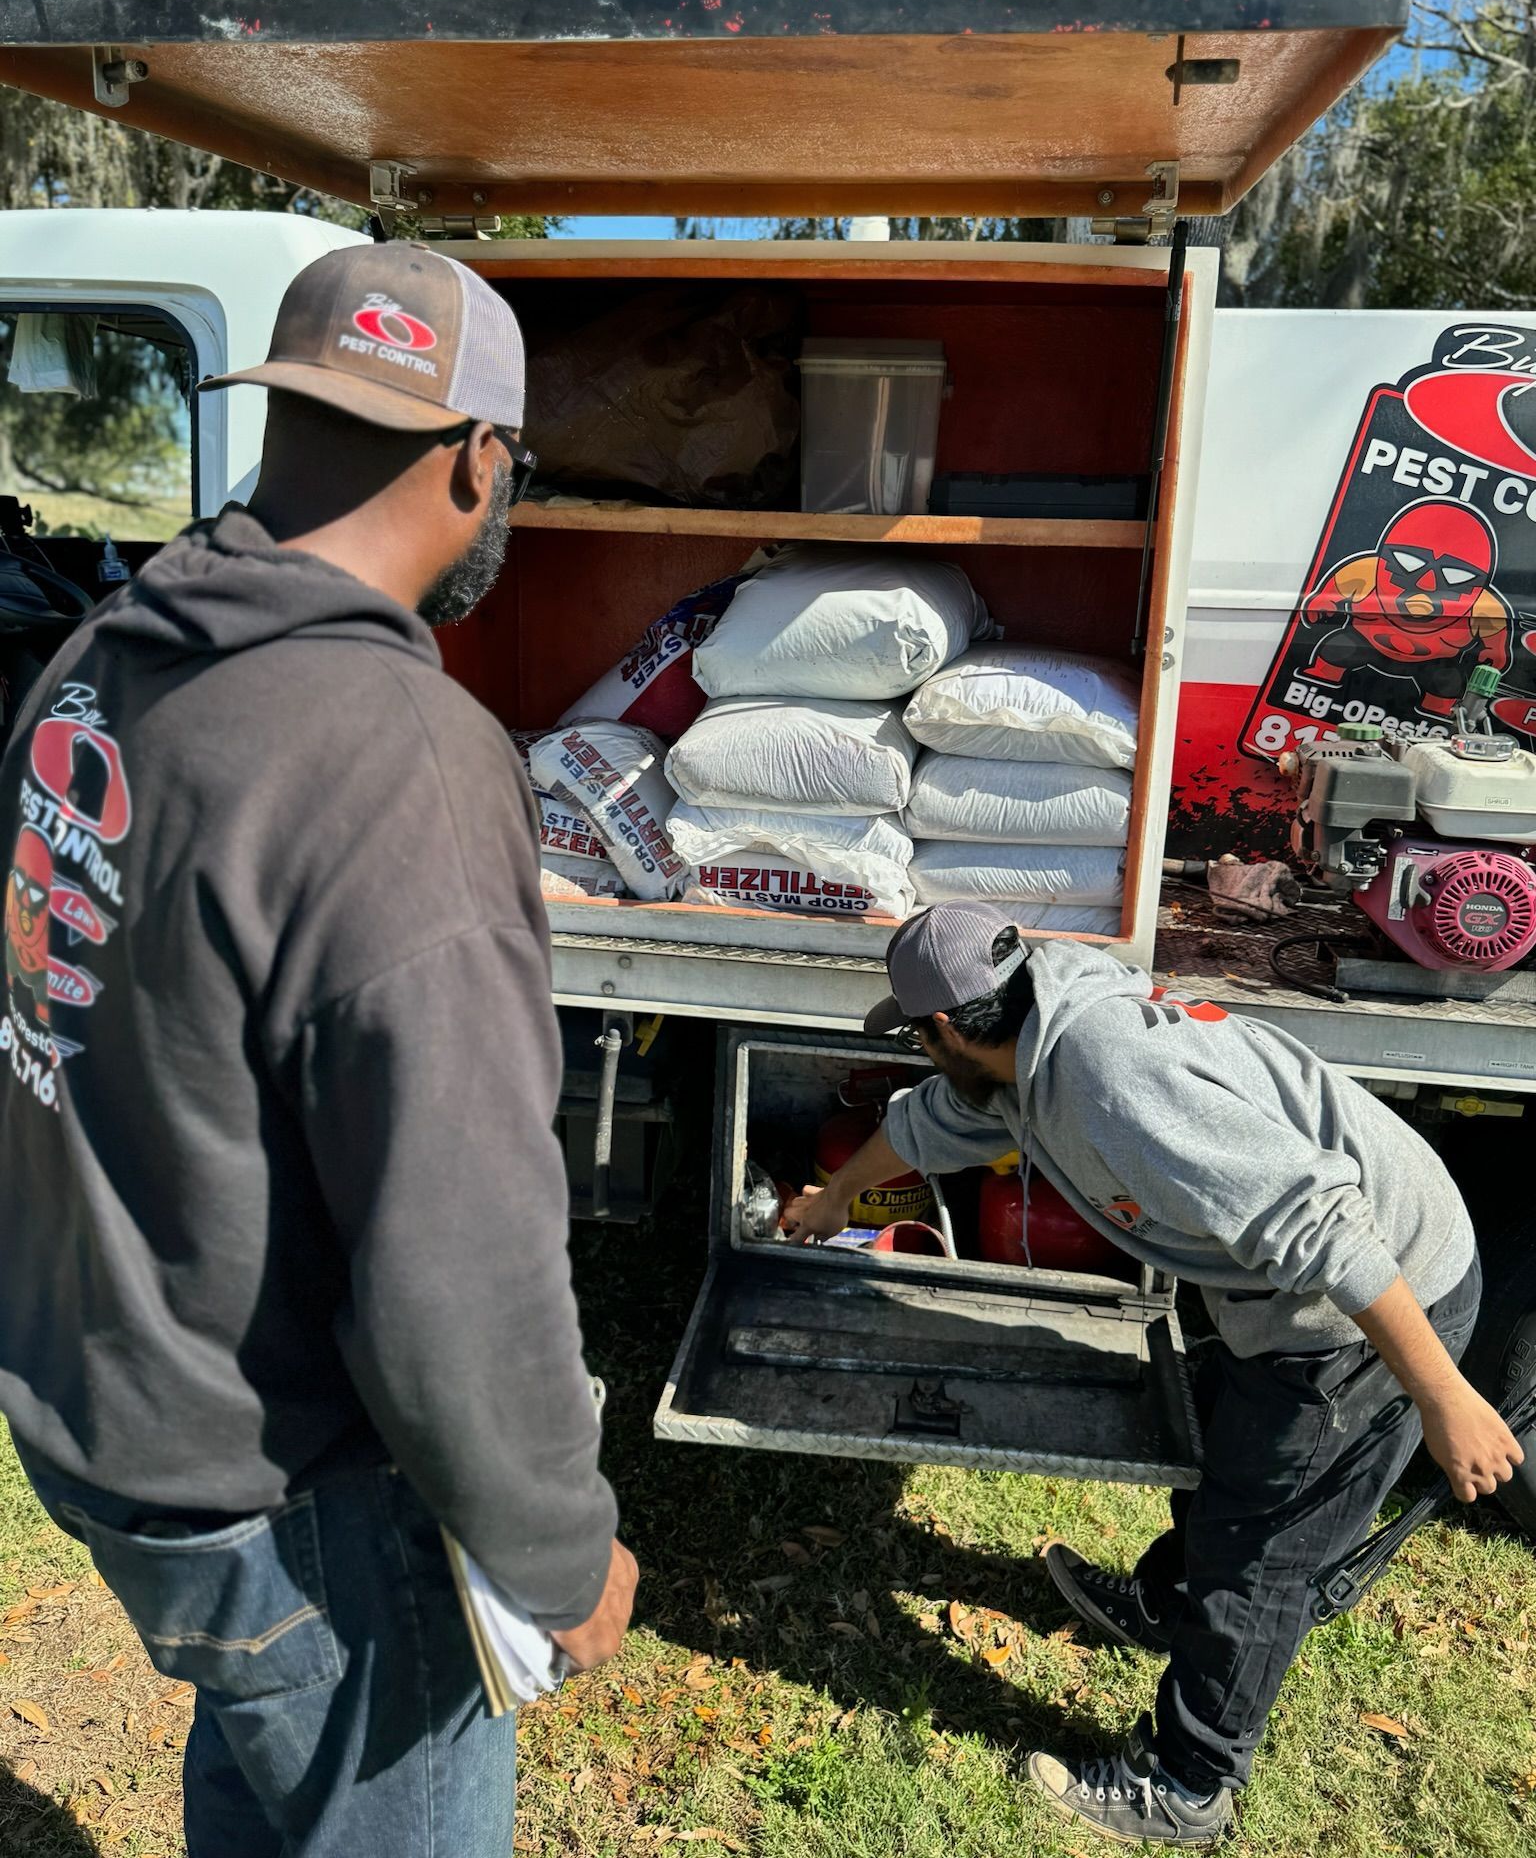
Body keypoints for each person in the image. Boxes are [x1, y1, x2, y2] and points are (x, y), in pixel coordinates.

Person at [0, 242, 636, 1858]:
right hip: (292, 1496)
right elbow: (462, 1248)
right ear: (484, 460)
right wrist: (559, 1550)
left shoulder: (96, 666)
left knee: (269, 1769)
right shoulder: (400, 759)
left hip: (107, 1409)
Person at [783, 902, 1521, 1847]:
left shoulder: (1108, 1077)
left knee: (1260, 1553)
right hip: (1295, 1291)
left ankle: (1189, 1782)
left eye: (917, 1039)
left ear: (940, 1030)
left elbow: (1327, 1231)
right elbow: (931, 1121)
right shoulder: (1029, 1035)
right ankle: (1164, 1607)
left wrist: (1444, 1395)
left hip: (1371, 1296)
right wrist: (835, 1198)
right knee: (1219, 1446)